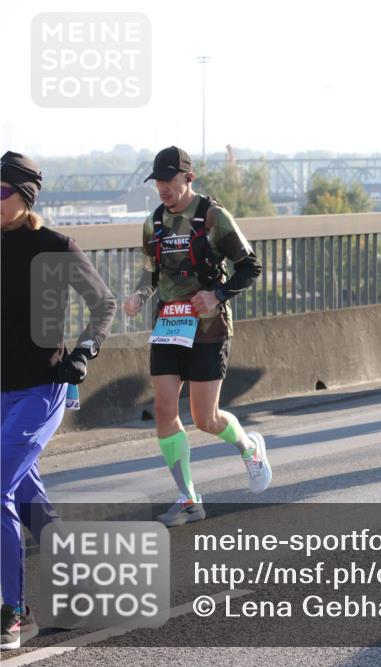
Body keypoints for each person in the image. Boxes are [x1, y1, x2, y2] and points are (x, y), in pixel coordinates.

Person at [1, 152, 116, 650]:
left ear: (25, 196)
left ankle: (14, 613)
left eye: (2, 190)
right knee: (26, 498)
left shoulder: (54, 246)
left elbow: (104, 303)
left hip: (41, 389)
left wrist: (85, 350)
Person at [122, 146, 270, 527]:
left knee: (205, 418)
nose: (162, 189)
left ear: (189, 178)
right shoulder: (153, 223)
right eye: (158, 182)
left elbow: (250, 266)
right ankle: (189, 499)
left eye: (169, 180)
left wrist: (216, 294)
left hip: (208, 327)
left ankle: (249, 448)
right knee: (165, 411)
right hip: (169, 325)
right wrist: (139, 296)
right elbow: (151, 273)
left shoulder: (213, 217)